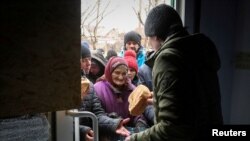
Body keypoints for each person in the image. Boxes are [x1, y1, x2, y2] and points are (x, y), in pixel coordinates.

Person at [125, 4, 223, 141]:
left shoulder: (168, 59)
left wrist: (133, 139)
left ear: (156, 36)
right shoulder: (199, 51)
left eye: (149, 38)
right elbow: (192, 102)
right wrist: (159, 99)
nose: (151, 44)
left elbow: (170, 128)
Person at [80, 43, 130, 141]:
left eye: (89, 59)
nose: (88, 63)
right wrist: (82, 130)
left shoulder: (89, 85)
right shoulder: (65, 86)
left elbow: (98, 114)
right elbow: (63, 122)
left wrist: (114, 124)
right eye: (83, 60)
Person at [94, 56, 149, 140]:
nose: (120, 77)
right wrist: (112, 121)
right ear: (109, 72)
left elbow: (137, 113)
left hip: (127, 135)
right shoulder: (98, 89)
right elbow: (98, 115)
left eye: (124, 73)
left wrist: (140, 124)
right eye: (117, 72)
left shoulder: (132, 89)